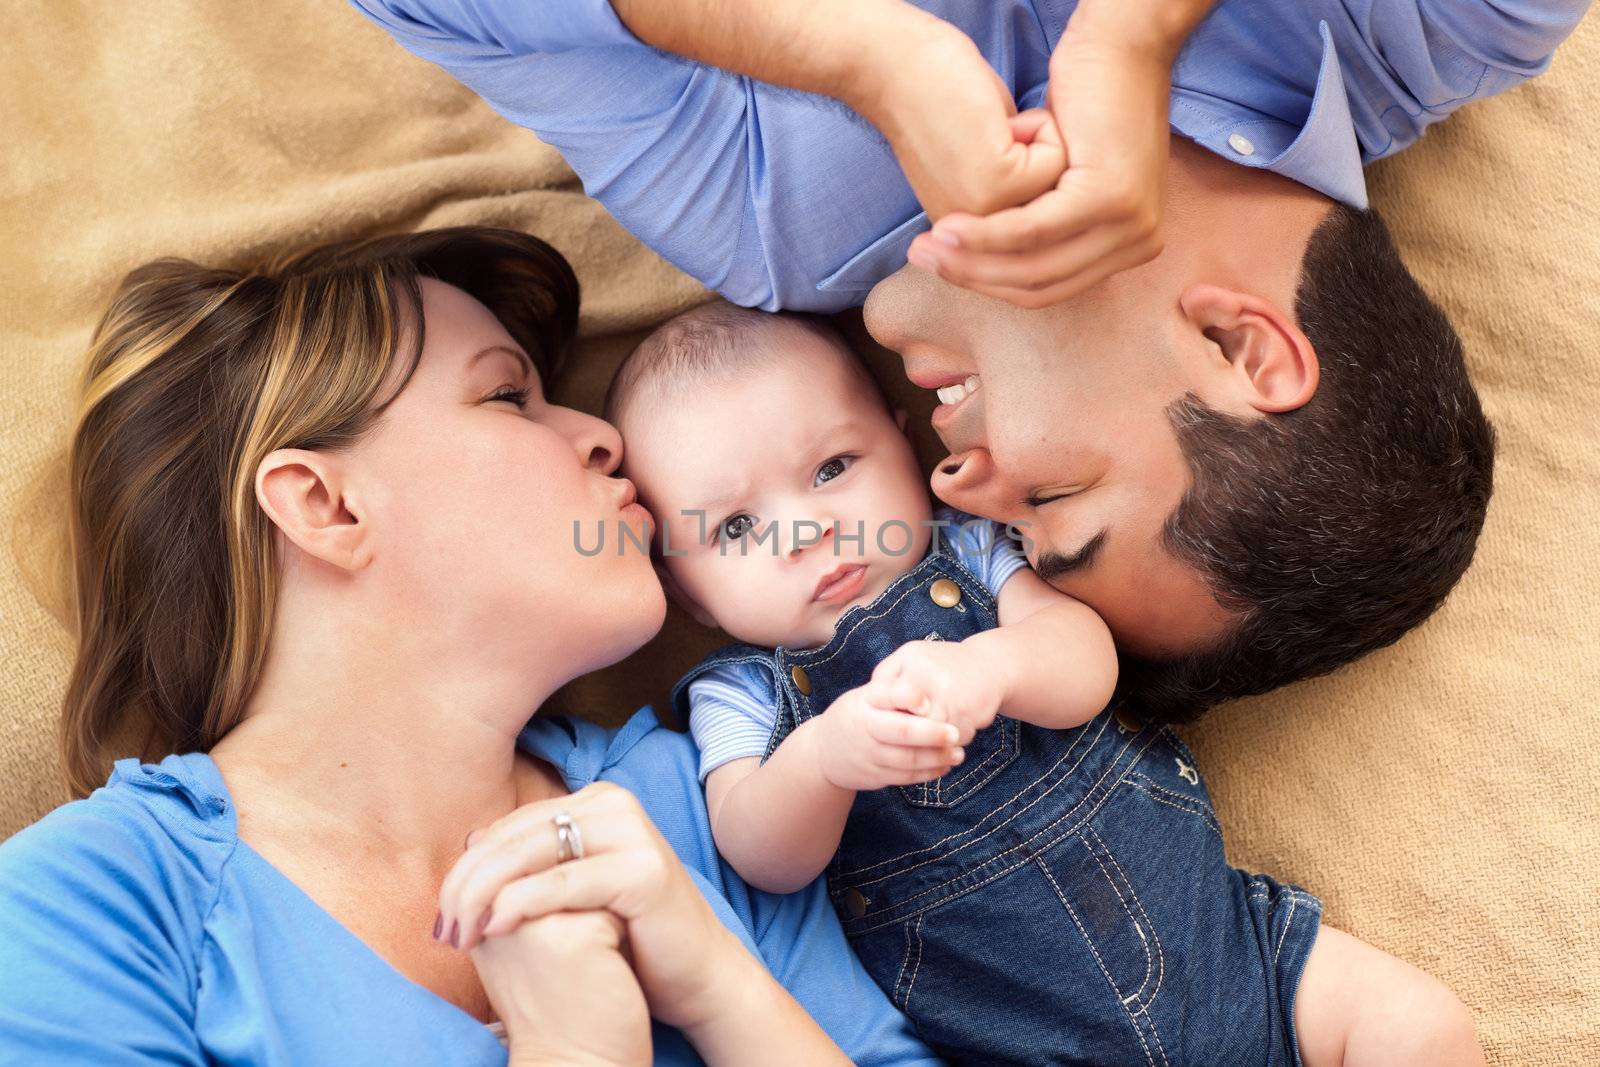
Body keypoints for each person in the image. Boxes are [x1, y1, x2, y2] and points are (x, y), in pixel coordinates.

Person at [350, 0, 1587, 718]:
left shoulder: (777, 227)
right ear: (1239, 348)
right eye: (1050, 502)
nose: (951, 490)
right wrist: (1130, 34)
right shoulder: (1414, 31)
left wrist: (860, 57)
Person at [0, 228, 940, 1066]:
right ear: (327, 505)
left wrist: (717, 985)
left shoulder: (708, 800)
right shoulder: (87, 910)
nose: (606, 437)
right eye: (506, 395)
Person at [600, 299, 1481, 1064]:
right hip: (1016, 1038)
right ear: (687, 590)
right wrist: (826, 756)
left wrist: (993, 664)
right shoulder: (746, 693)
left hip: (1232, 958)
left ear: (904, 448)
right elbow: (759, 852)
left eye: (833, 468)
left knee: (1415, 1027)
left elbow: (1086, 666)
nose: (806, 531)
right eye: (737, 526)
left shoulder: (976, 554)